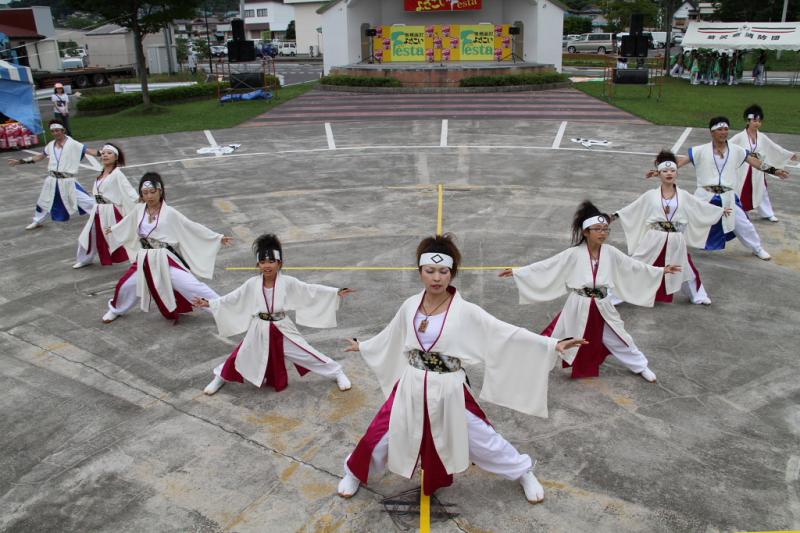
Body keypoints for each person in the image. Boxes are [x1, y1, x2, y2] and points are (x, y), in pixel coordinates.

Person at [337, 234, 585, 503]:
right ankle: (354, 470)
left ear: (452, 273)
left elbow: (504, 332)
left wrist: (550, 345)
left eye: (443, 271)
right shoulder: (410, 306)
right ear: (420, 272)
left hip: (448, 386)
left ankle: (522, 470)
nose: (436, 278)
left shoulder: (466, 311)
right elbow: (391, 335)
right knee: (382, 433)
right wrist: (364, 346)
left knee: (482, 438)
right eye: (429, 271)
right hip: (411, 384)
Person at [499, 201, 681, 382]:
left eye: (605, 229)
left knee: (620, 337)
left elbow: (633, 267)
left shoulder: (611, 252)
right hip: (578, 304)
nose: (603, 233)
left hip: (603, 304)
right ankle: (531, 363)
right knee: (558, 336)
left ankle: (641, 366)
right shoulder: (573, 253)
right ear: (586, 232)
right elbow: (548, 266)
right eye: (598, 229)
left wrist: (660, 271)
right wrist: (519, 272)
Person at [196, 233, 355, 395]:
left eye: (271, 261)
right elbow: (233, 298)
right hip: (260, 328)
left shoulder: (288, 282)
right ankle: (220, 377)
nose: (267, 266)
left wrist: (334, 293)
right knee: (242, 354)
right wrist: (210, 303)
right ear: (258, 264)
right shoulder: (252, 284)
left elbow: (309, 290)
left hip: (282, 327)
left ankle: (337, 372)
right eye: (263, 262)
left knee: (306, 353)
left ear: (279, 263)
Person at [102, 172, 233, 323]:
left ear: (160, 191)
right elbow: (128, 222)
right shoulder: (139, 210)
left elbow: (190, 226)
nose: (149, 196)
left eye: (152, 192)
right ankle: (116, 309)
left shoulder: (170, 213)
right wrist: (115, 228)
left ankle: (224, 309)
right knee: (126, 285)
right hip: (145, 258)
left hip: (165, 259)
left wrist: (217, 237)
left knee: (192, 286)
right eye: (145, 193)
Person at [656, 116, 789, 260]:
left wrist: (774, 171)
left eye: (726, 129)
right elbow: (679, 162)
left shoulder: (737, 150)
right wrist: (660, 168)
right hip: (704, 195)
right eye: (719, 129)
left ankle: (757, 248)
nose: (724, 132)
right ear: (712, 132)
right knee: (686, 219)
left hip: (727, 197)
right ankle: (668, 244)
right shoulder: (699, 150)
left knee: (743, 225)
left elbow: (755, 162)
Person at [614, 151, 727, 305]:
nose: (669, 174)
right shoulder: (650, 195)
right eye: (665, 171)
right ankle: (616, 295)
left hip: (675, 238)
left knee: (684, 268)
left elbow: (699, 206)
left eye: (672, 171)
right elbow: (634, 208)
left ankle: (698, 295)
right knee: (638, 264)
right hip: (654, 238)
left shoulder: (684, 195)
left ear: (677, 174)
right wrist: (614, 216)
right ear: (659, 174)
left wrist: (719, 211)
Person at [7, 120, 100, 230]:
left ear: (63, 130)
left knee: (85, 200)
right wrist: (20, 161)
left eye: (57, 130)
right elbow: (40, 157)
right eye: (53, 131)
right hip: (51, 179)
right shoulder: (50, 145)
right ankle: (37, 220)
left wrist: (105, 153)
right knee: (44, 201)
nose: (55, 133)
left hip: (67, 180)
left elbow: (89, 151)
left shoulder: (73, 144)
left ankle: (103, 214)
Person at [73, 143, 138, 269]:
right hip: (98, 209)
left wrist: (142, 202)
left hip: (111, 211)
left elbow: (129, 191)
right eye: (103, 153)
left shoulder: (117, 174)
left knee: (122, 236)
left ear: (116, 157)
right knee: (88, 234)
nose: (105, 155)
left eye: (109, 153)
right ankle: (85, 259)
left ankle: (137, 259)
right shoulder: (102, 173)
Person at [729, 104, 797, 222]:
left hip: (758, 168)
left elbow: (774, 148)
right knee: (740, 190)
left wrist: (790, 155)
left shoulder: (762, 137)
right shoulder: (739, 137)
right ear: (748, 120)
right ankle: (738, 211)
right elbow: (727, 146)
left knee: (762, 189)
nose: (757, 123)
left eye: (759, 121)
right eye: (754, 121)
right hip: (743, 169)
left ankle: (767, 213)